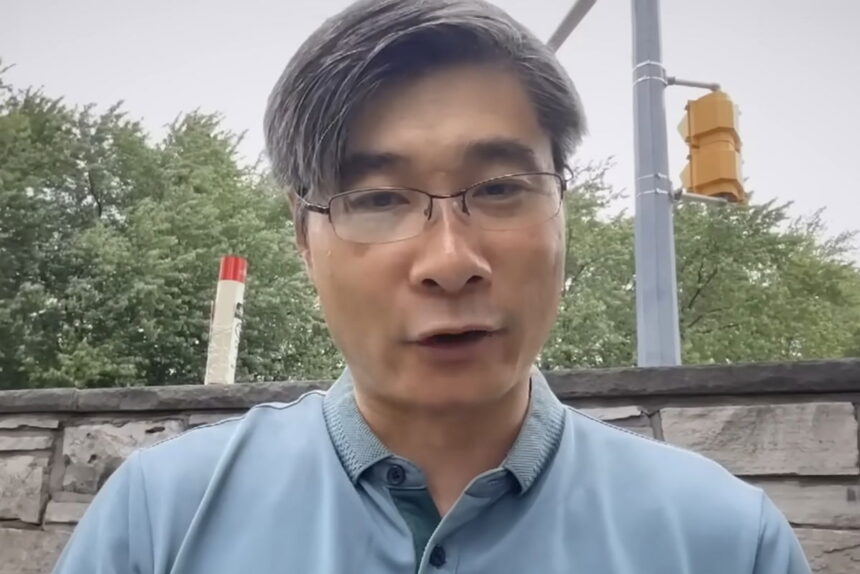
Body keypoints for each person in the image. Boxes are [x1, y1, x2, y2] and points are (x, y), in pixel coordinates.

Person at [53, 0, 811, 572]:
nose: (450, 261)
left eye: (501, 187)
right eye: (379, 198)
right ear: (304, 240)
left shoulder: (724, 541)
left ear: (562, 208)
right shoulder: (160, 523)